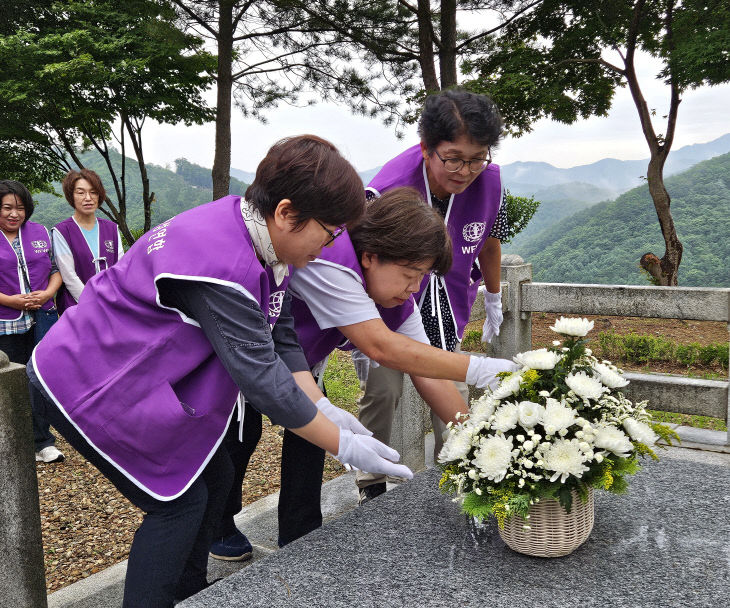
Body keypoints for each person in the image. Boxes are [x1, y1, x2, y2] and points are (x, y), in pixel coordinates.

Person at [27, 135, 411, 608]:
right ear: (288, 213)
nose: (332, 243)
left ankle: (190, 592)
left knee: (219, 473)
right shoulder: (221, 261)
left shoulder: (263, 238)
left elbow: (280, 331)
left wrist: (323, 405)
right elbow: (259, 376)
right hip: (84, 379)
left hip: (131, 369)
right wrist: (342, 443)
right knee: (178, 505)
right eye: (330, 231)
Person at [210, 187, 517, 557]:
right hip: (240, 356)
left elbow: (426, 369)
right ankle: (218, 526)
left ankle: (300, 539)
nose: (414, 288)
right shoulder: (330, 261)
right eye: (410, 274)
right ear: (370, 257)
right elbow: (381, 347)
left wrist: (480, 446)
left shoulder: (397, 292)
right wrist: (485, 369)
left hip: (301, 362)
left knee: (310, 442)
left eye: (422, 277)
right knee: (236, 441)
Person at [357, 88, 509, 503]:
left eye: (477, 158)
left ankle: (465, 471)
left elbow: (490, 240)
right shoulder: (386, 189)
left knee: (450, 380)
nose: (465, 170)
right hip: (390, 304)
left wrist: (493, 296)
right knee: (383, 388)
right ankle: (371, 476)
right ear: (426, 148)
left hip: (448, 298)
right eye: (454, 158)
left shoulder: (490, 181)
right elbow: (368, 265)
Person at [0, 180, 64, 463]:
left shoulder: (38, 232)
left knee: (38, 377)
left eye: (21, 208)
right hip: (6, 320)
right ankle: (11, 441)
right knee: (10, 380)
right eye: (7, 208)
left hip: (42, 316)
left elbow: (55, 270)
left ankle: (43, 442)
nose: (14, 214)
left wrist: (49, 292)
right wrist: (10, 300)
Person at [52, 169, 124, 314]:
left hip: (111, 305)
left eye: (93, 192)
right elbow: (69, 276)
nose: (88, 198)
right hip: (77, 308)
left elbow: (121, 268)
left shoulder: (112, 229)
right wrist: (92, 304)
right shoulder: (61, 231)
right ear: (71, 196)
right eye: (80, 192)